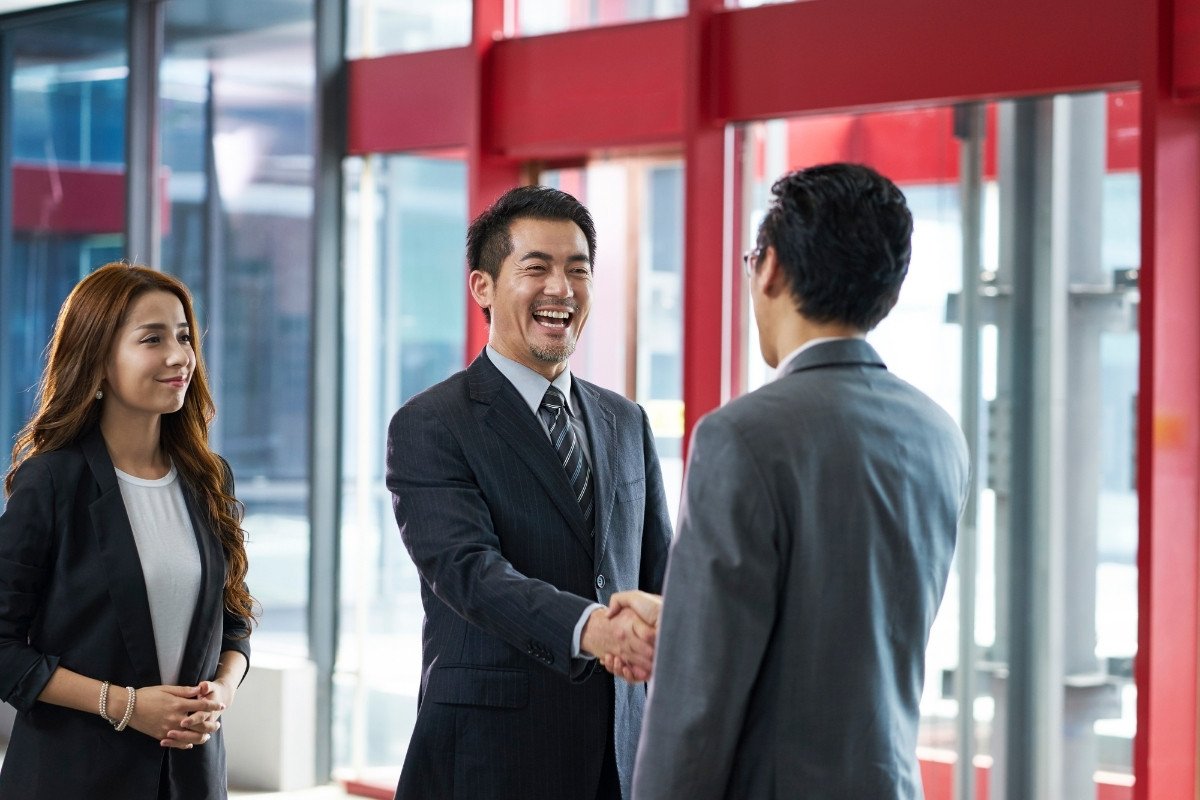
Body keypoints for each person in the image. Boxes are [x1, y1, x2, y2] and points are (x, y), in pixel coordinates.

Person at [629, 163, 970, 799]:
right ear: (887, 293)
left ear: (771, 268)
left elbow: (697, 704)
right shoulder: (938, 434)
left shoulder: (742, 435)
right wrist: (685, 617)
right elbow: (844, 624)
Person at [386, 185, 673, 800]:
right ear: (483, 287)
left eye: (578, 270)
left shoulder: (627, 421)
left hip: (621, 756)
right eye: (536, 268)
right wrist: (591, 628)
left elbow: (660, 573)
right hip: (494, 756)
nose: (561, 290)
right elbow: (468, 573)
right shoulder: (431, 423)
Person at [0, 262, 254, 799]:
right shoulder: (51, 481)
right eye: (152, 338)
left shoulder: (209, 479)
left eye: (183, 336)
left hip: (191, 778)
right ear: (99, 359)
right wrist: (127, 706)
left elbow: (234, 624)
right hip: (73, 778)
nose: (178, 356)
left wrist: (220, 694)